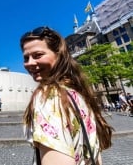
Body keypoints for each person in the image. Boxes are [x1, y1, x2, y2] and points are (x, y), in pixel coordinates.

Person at [20, 26, 113, 165]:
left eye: (38, 55)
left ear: (59, 55)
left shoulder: (49, 98)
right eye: (26, 58)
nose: (30, 63)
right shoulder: (78, 94)